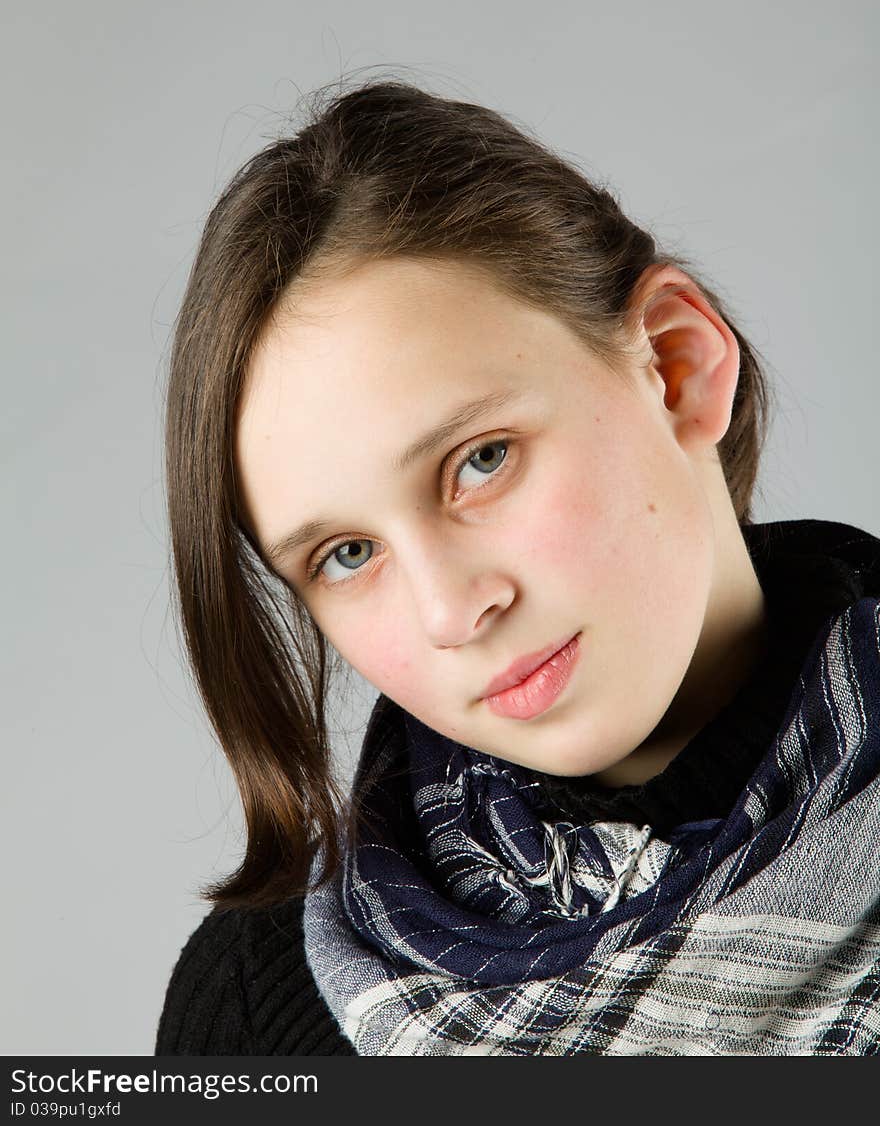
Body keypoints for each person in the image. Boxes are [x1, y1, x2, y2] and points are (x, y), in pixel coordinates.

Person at [156, 78, 880, 1056]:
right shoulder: (260, 1005)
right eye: (347, 554)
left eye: (479, 461)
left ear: (675, 364)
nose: (452, 611)